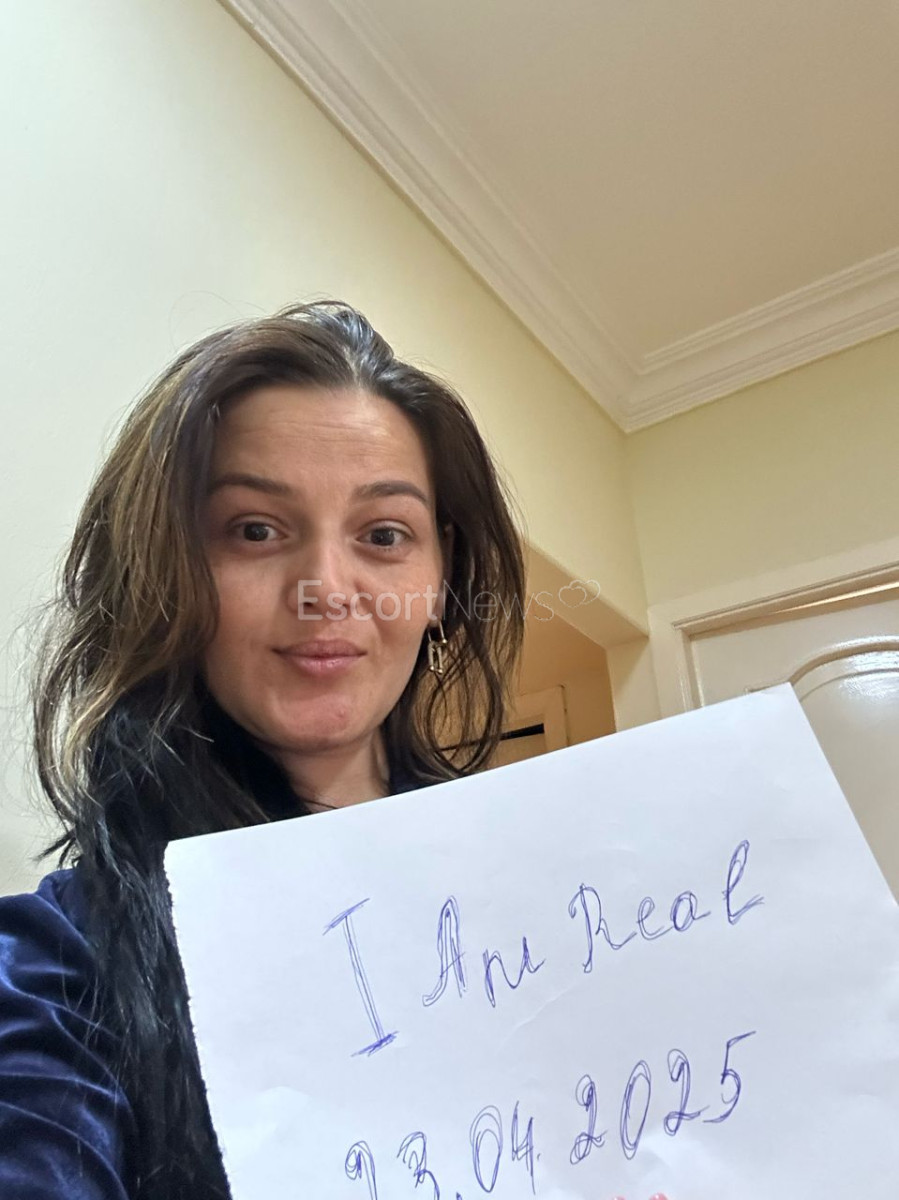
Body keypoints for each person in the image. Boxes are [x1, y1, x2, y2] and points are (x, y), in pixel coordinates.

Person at [0, 301, 528, 1199]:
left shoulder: (549, 883)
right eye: (254, 529)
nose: (325, 588)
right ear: (168, 575)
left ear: (440, 582)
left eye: (383, 535)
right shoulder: (52, 968)